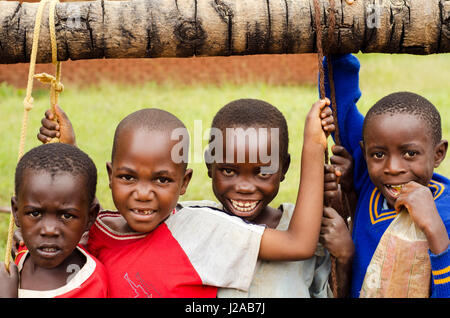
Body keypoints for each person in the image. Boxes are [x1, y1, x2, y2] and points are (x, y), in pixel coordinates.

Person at [34, 99, 333, 298]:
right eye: (128, 178)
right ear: (110, 176)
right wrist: (66, 151)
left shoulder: (201, 228)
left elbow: (299, 243)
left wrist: (313, 145)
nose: (143, 193)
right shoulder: (99, 227)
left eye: (162, 180)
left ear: (184, 182)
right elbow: (59, 216)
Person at [182, 98, 353, 297]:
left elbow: (331, 292)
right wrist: (313, 144)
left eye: (263, 173)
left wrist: (344, 257)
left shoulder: (310, 227)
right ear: (210, 164)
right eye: (229, 171)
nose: (244, 187)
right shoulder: (197, 222)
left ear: (284, 167)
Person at [322, 53, 450, 298]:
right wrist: (339, 52)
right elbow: (341, 106)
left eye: (410, 153)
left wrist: (434, 228)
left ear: (438, 154)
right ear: (364, 152)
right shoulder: (369, 181)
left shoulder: (446, 210)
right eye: (378, 155)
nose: (392, 168)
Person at [1, 143, 108, 298]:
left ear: (90, 217)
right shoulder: (24, 252)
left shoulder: (90, 286)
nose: (49, 230)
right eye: (35, 213)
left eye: (67, 216)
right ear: (16, 212)